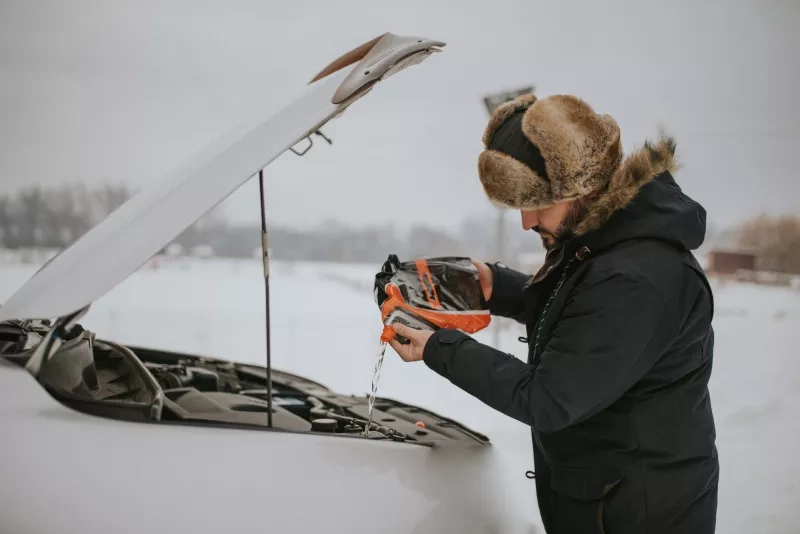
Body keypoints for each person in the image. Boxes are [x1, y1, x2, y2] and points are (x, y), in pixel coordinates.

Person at [388, 93, 719, 534]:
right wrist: (495, 286)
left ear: (580, 187)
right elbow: (581, 315)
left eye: (536, 203)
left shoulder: (637, 278)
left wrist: (439, 347)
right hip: (606, 498)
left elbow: (549, 398)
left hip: (637, 514)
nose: (526, 222)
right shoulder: (606, 239)